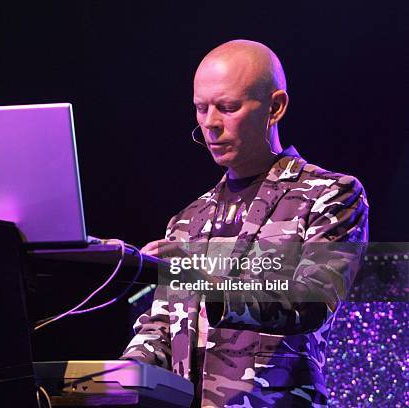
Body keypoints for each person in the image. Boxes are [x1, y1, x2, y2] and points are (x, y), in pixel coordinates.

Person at [120, 40, 369, 407]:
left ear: (275, 107)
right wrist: (115, 379)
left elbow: (311, 300)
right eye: (201, 109)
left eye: (228, 107)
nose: (210, 124)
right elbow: (161, 327)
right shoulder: (188, 219)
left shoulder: (331, 195)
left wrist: (203, 279)